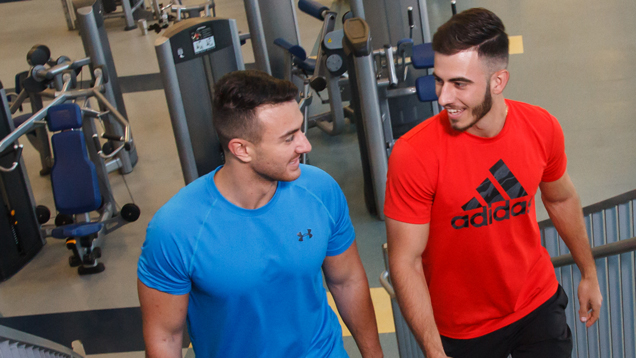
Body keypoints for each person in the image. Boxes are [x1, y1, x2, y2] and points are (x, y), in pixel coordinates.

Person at [384, 8, 603, 358]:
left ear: (498, 81)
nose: (443, 98)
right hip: (463, 329)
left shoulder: (541, 127)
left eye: (459, 84)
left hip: (536, 303)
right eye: (440, 80)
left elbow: (560, 199)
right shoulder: (414, 154)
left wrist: (588, 272)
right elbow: (405, 261)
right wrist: (433, 349)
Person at [137, 70, 383, 358]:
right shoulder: (176, 229)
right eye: (289, 138)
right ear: (242, 149)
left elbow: (347, 280)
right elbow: (165, 336)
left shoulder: (320, 189)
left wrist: (373, 355)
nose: (305, 145)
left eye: (300, 130)